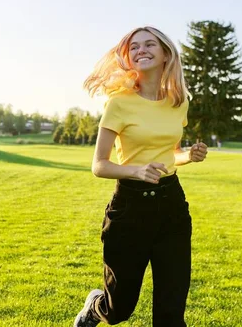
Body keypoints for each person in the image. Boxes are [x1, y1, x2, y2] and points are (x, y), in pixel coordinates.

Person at [75, 26, 208, 326]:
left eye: (149, 45)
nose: (141, 50)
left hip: (171, 207)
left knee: (171, 312)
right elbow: (99, 164)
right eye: (134, 47)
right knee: (118, 309)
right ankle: (94, 309)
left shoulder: (179, 101)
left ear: (165, 55)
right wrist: (137, 171)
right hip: (129, 210)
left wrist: (189, 155)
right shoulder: (119, 102)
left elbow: (168, 154)